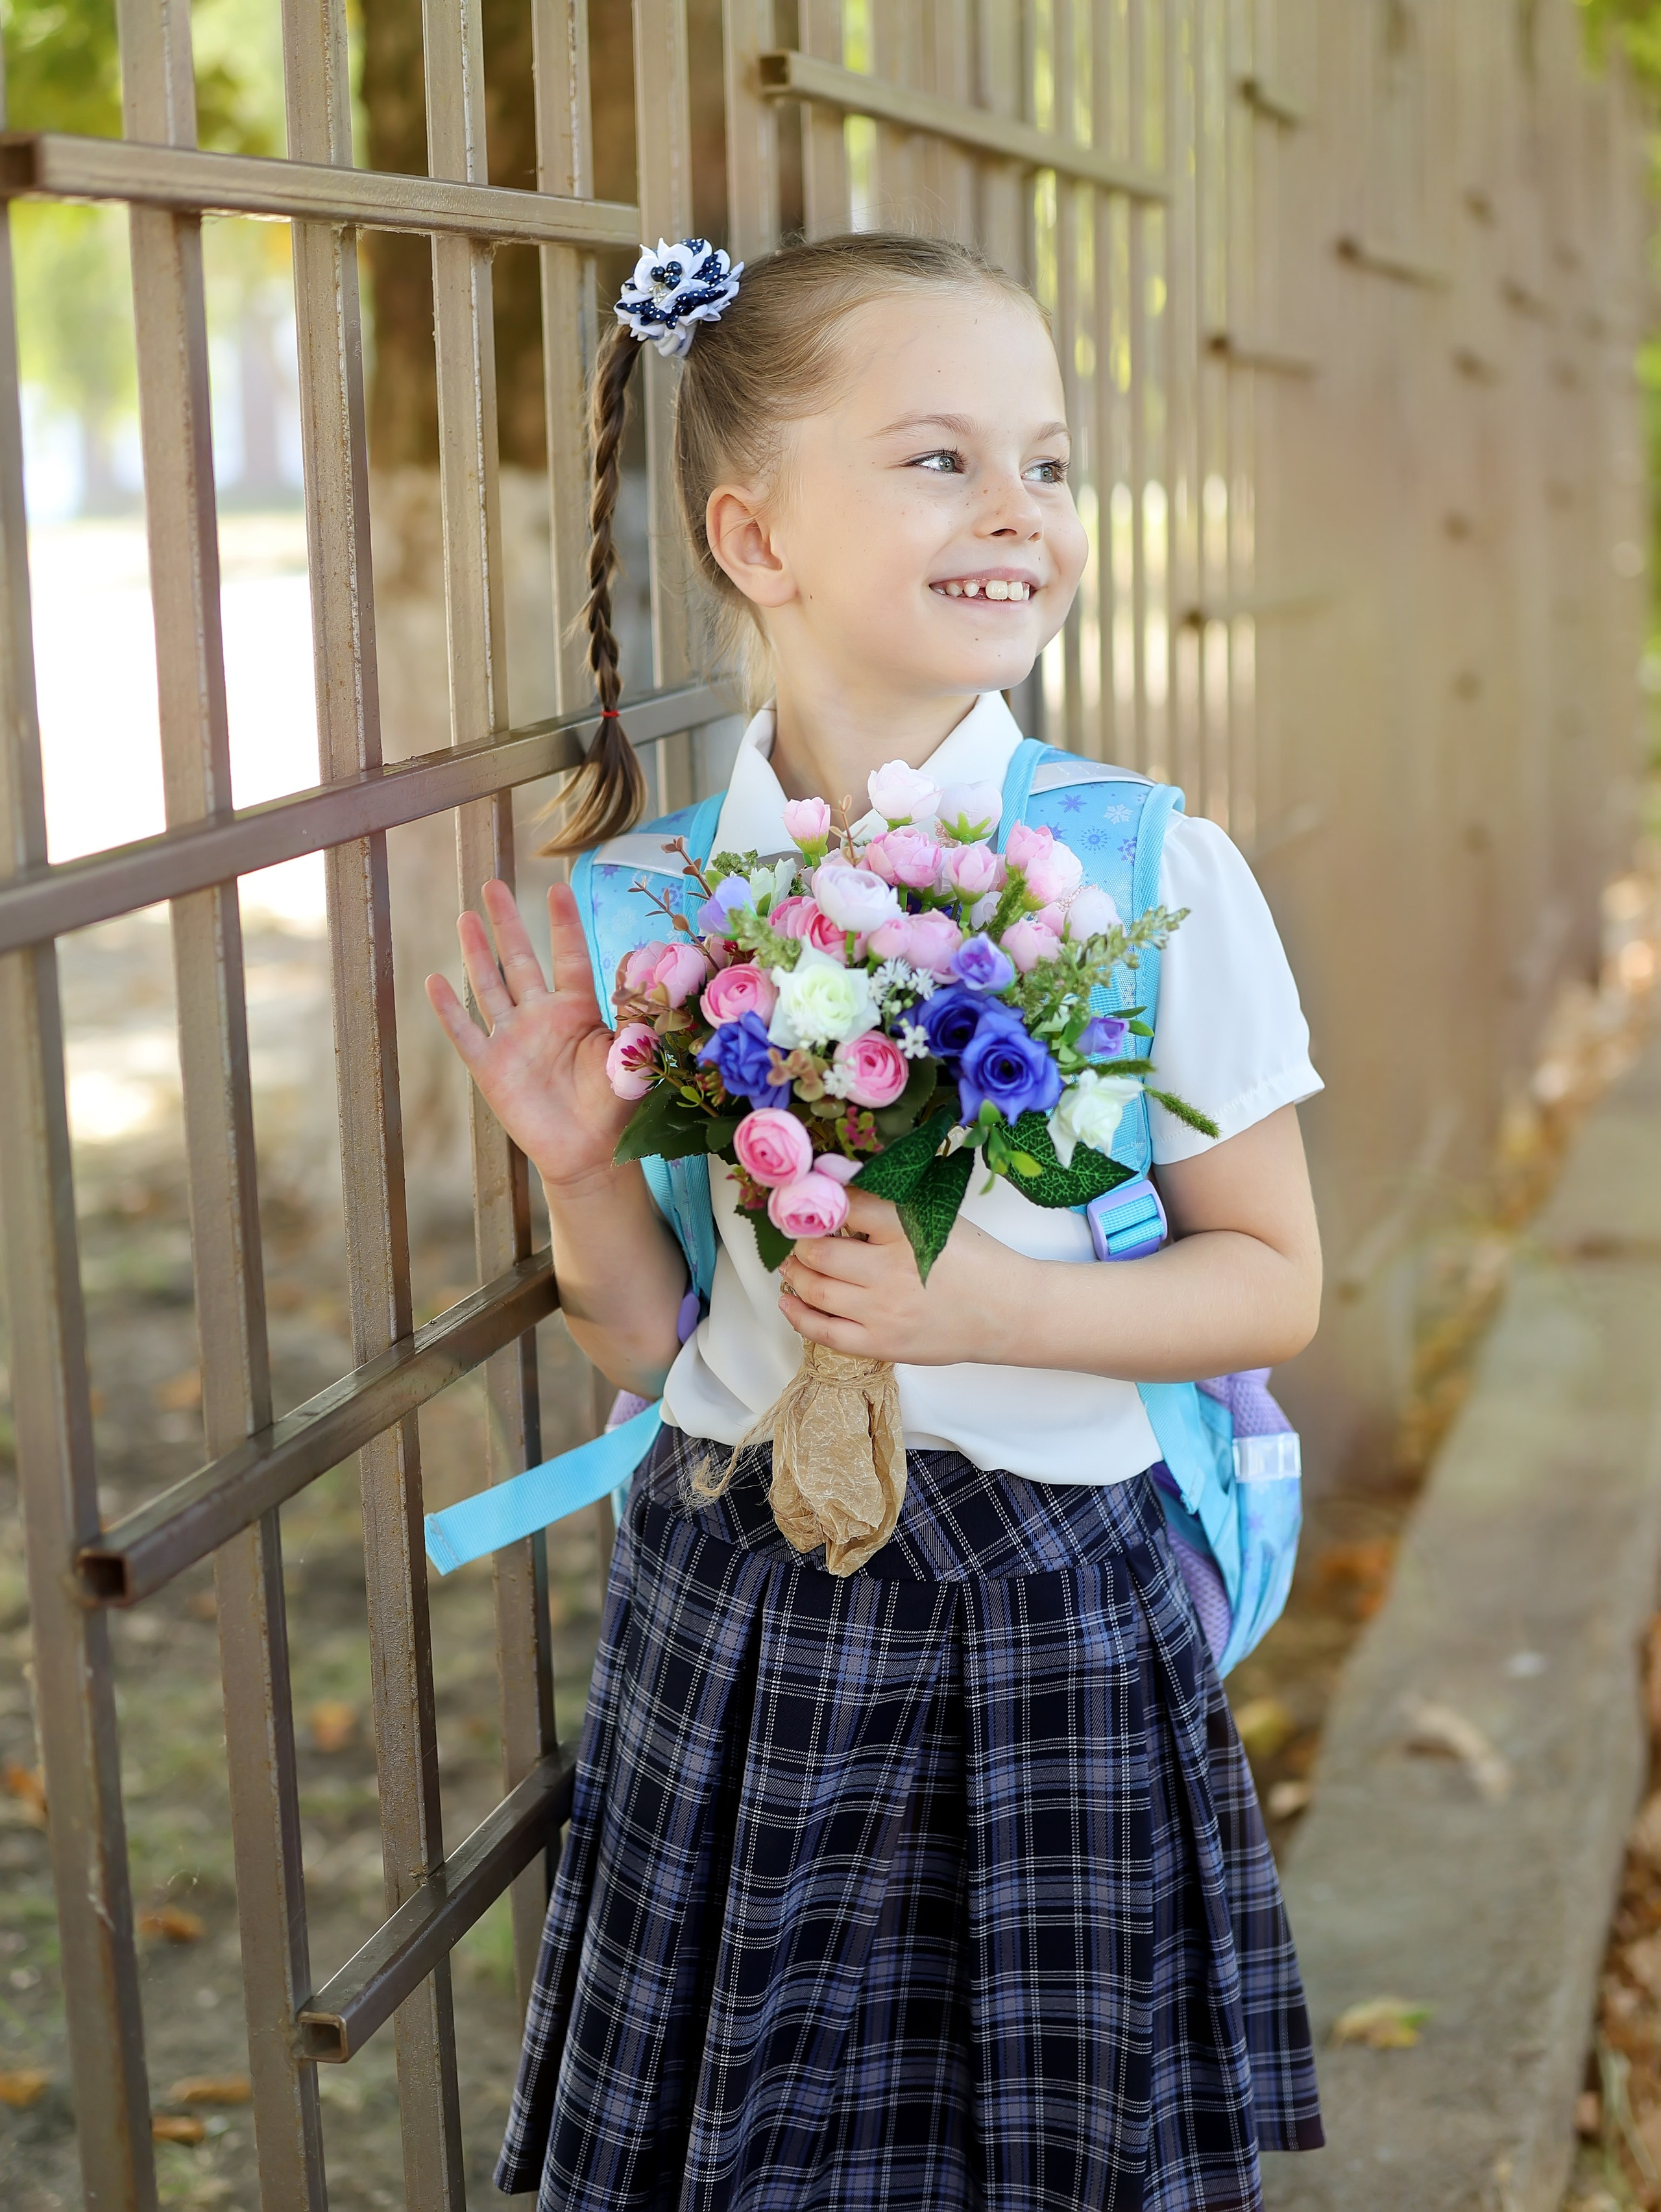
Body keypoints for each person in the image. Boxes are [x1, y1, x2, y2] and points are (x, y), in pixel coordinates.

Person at [426, 232, 1325, 2211]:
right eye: (940, 461)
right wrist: (583, 1167)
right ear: (754, 537)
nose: (1021, 511)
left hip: (1045, 1617)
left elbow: (1275, 1276)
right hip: (738, 1608)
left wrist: (992, 1297)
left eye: (1054, 463)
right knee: (756, 2142)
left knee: (1040, 2153)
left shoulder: (1142, 871)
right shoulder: (657, 905)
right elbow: (654, 1349)